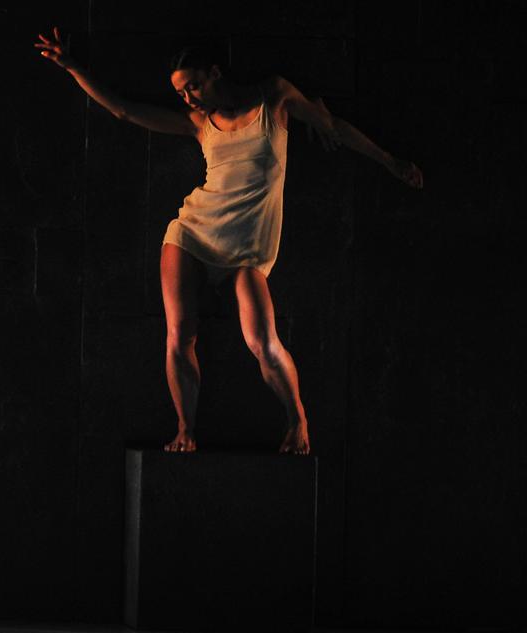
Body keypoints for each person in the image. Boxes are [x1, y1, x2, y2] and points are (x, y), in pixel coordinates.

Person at [35, 29, 423, 454]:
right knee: (180, 334)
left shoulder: (272, 99)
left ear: (216, 72)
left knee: (262, 341)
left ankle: (298, 420)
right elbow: (125, 112)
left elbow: (333, 126)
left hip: (248, 252)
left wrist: (391, 161)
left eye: (194, 85)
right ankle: (185, 429)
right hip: (193, 233)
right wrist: (71, 66)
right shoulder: (200, 123)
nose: (189, 98)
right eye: (181, 93)